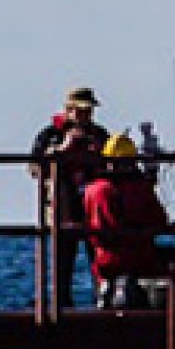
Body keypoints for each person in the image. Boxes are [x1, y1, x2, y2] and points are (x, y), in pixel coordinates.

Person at [31, 86, 108, 302]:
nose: (85, 116)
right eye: (81, 111)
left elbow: (114, 167)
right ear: (68, 110)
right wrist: (61, 151)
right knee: (62, 264)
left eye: (89, 111)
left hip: (94, 211)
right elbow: (34, 169)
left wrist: (100, 154)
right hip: (62, 209)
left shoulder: (100, 134)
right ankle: (61, 304)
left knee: (102, 262)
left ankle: (104, 302)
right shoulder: (49, 135)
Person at [84, 134, 175, 309]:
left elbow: (101, 232)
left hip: (115, 261)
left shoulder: (99, 189)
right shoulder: (137, 188)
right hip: (135, 258)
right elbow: (159, 221)